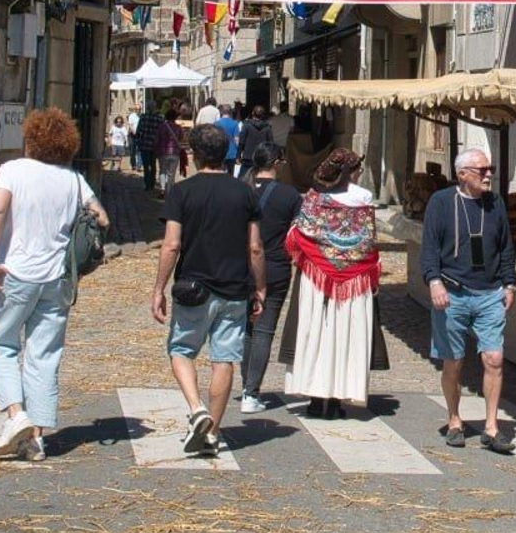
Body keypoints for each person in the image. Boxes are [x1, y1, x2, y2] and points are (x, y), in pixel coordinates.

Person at [0, 108, 109, 462]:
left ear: (31, 138)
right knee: (44, 353)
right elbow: (102, 217)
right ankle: (35, 439)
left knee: (1, 343)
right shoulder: (73, 179)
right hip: (57, 278)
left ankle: (15, 416)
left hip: (17, 272)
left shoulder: (13, 170)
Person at [150, 124, 265, 455]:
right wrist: (259, 287)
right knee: (224, 359)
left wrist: (158, 288)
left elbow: (171, 245)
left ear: (193, 153)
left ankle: (196, 407)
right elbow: (255, 247)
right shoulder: (245, 193)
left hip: (194, 287)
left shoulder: (182, 192)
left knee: (181, 351)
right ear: (226, 151)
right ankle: (212, 431)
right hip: (233, 289)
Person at [422, 148, 516, 454]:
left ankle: (491, 426)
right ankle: (454, 420)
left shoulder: (495, 203)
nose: (489, 174)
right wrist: (434, 281)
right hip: (453, 292)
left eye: (491, 169)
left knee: (494, 359)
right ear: (462, 174)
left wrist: (509, 282)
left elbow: (505, 246)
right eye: (482, 170)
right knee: (454, 361)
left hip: (489, 293)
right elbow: (430, 247)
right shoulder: (441, 202)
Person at [281, 148, 385, 419]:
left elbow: (297, 236)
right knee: (346, 334)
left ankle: (315, 399)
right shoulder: (363, 198)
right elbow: (369, 242)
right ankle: (337, 400)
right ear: (349, 172)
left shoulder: (314, 199)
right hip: (355, 280)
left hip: (317, 278)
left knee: (317, 332)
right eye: (358, 169)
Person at [238, 142, 302, 414]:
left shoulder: (241, 190)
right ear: (276, 162)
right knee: (264, 329)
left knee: (245, 330)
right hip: (274, 267)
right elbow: (298, 234)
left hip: (239, 268)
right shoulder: (290, 196)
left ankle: (246, 386)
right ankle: (251, 393)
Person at [134, 101, 164, 192]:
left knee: (146, 166)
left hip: (144, 145)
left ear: (147, 108)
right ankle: (152, 183)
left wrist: (138, 141)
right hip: (155, 145)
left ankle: (147, 184)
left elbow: (138, 131)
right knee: (153, 165)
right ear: (155, 108)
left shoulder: (143, 117)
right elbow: (162, 132)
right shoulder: (159, 118)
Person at [155, 104, 183, 195]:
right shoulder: (178, 127)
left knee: (162, 171)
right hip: (175, 153)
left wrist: (155, 148)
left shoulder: (161, 126)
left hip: (163, 152)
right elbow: (181, 138)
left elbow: (157, 139)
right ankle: (169, 190)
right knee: (172, 173)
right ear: (175, 117)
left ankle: (162, 189)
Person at [215, 106, 241, 174]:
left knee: (220, 173)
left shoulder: (216, 123)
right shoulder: (235, 123)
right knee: (230, 173)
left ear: (221, 112)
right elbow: (236, 139)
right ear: (230, 112)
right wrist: (238, 152)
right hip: (232, 152)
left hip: (220, 151)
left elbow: (214, 138)